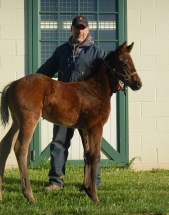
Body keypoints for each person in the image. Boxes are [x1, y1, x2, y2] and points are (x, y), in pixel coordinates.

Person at [37, 15, 107, 192]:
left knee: (91, 146)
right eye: (77, 27)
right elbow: (44, 72)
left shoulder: (98, 53)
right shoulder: (61, 51)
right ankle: (56, 182)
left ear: (88, 30)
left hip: (87, 109)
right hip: (63, 107)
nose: (80, 31)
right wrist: (30, 86)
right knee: (58, 143)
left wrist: (121, 82)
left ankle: (92, 182)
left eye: (83, 28)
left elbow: (111, 74)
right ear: (71, 29)